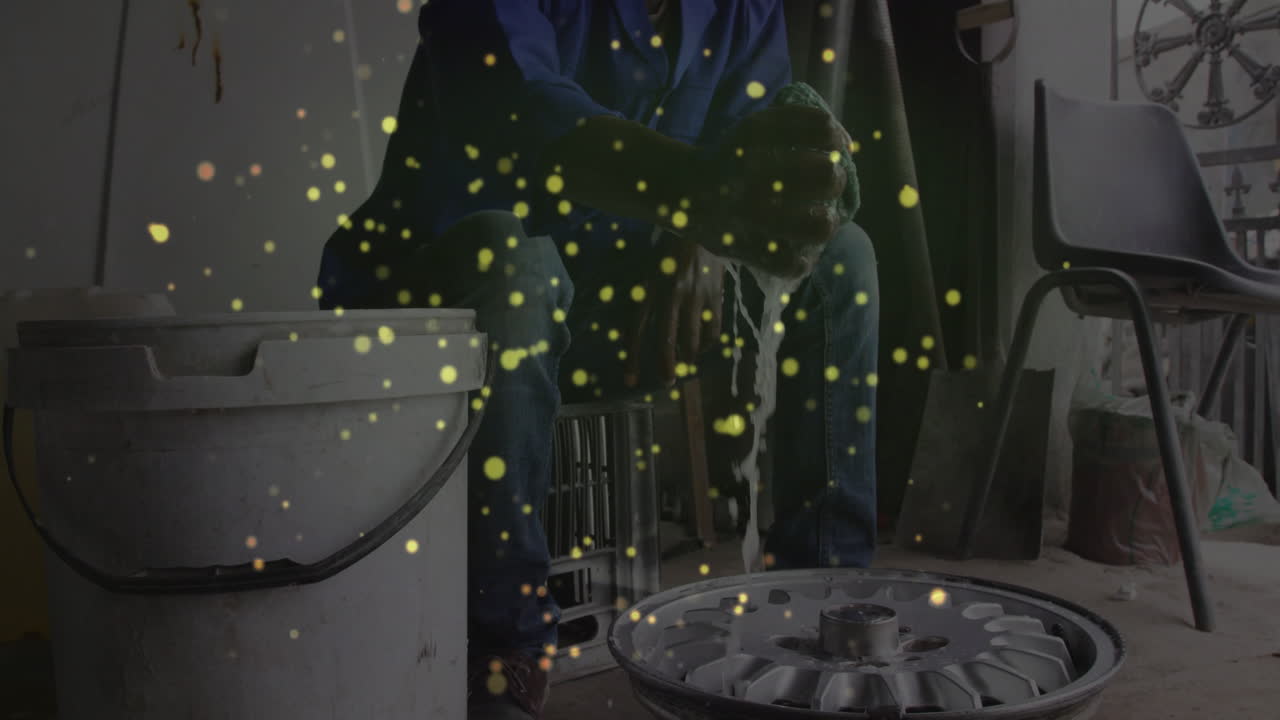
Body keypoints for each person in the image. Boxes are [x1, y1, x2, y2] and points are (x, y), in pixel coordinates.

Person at [316, 1, 879, 717]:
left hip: (607, 306)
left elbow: (746, 141)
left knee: (842, 259)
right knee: (513, 258)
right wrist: (698, 196)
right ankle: (502, 646)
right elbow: (526, 118)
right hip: (440, 297)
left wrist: (702, 235)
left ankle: (828, 610)